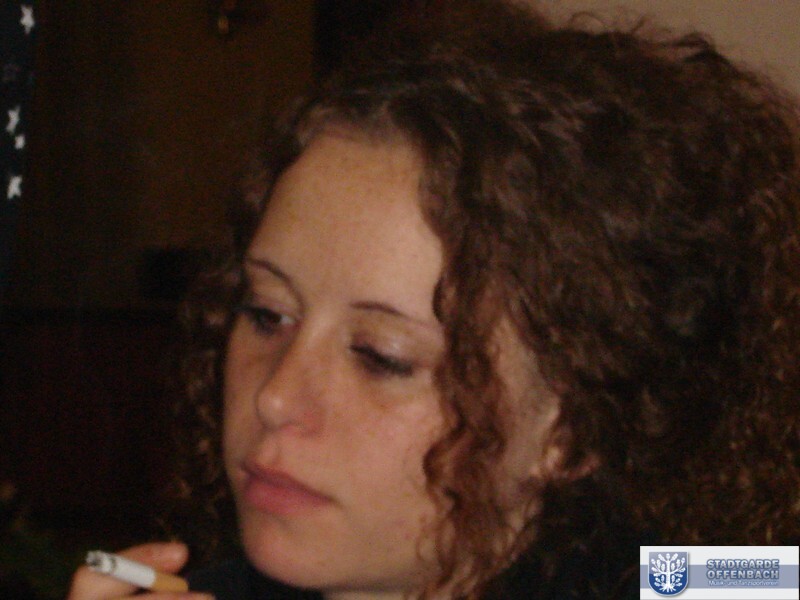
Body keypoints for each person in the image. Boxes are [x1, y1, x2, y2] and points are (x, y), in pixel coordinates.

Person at [68, 1, 800, 598]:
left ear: (570, 429)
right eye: (266, 314)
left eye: (380, 357)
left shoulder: (689, 583)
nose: (276, 396)